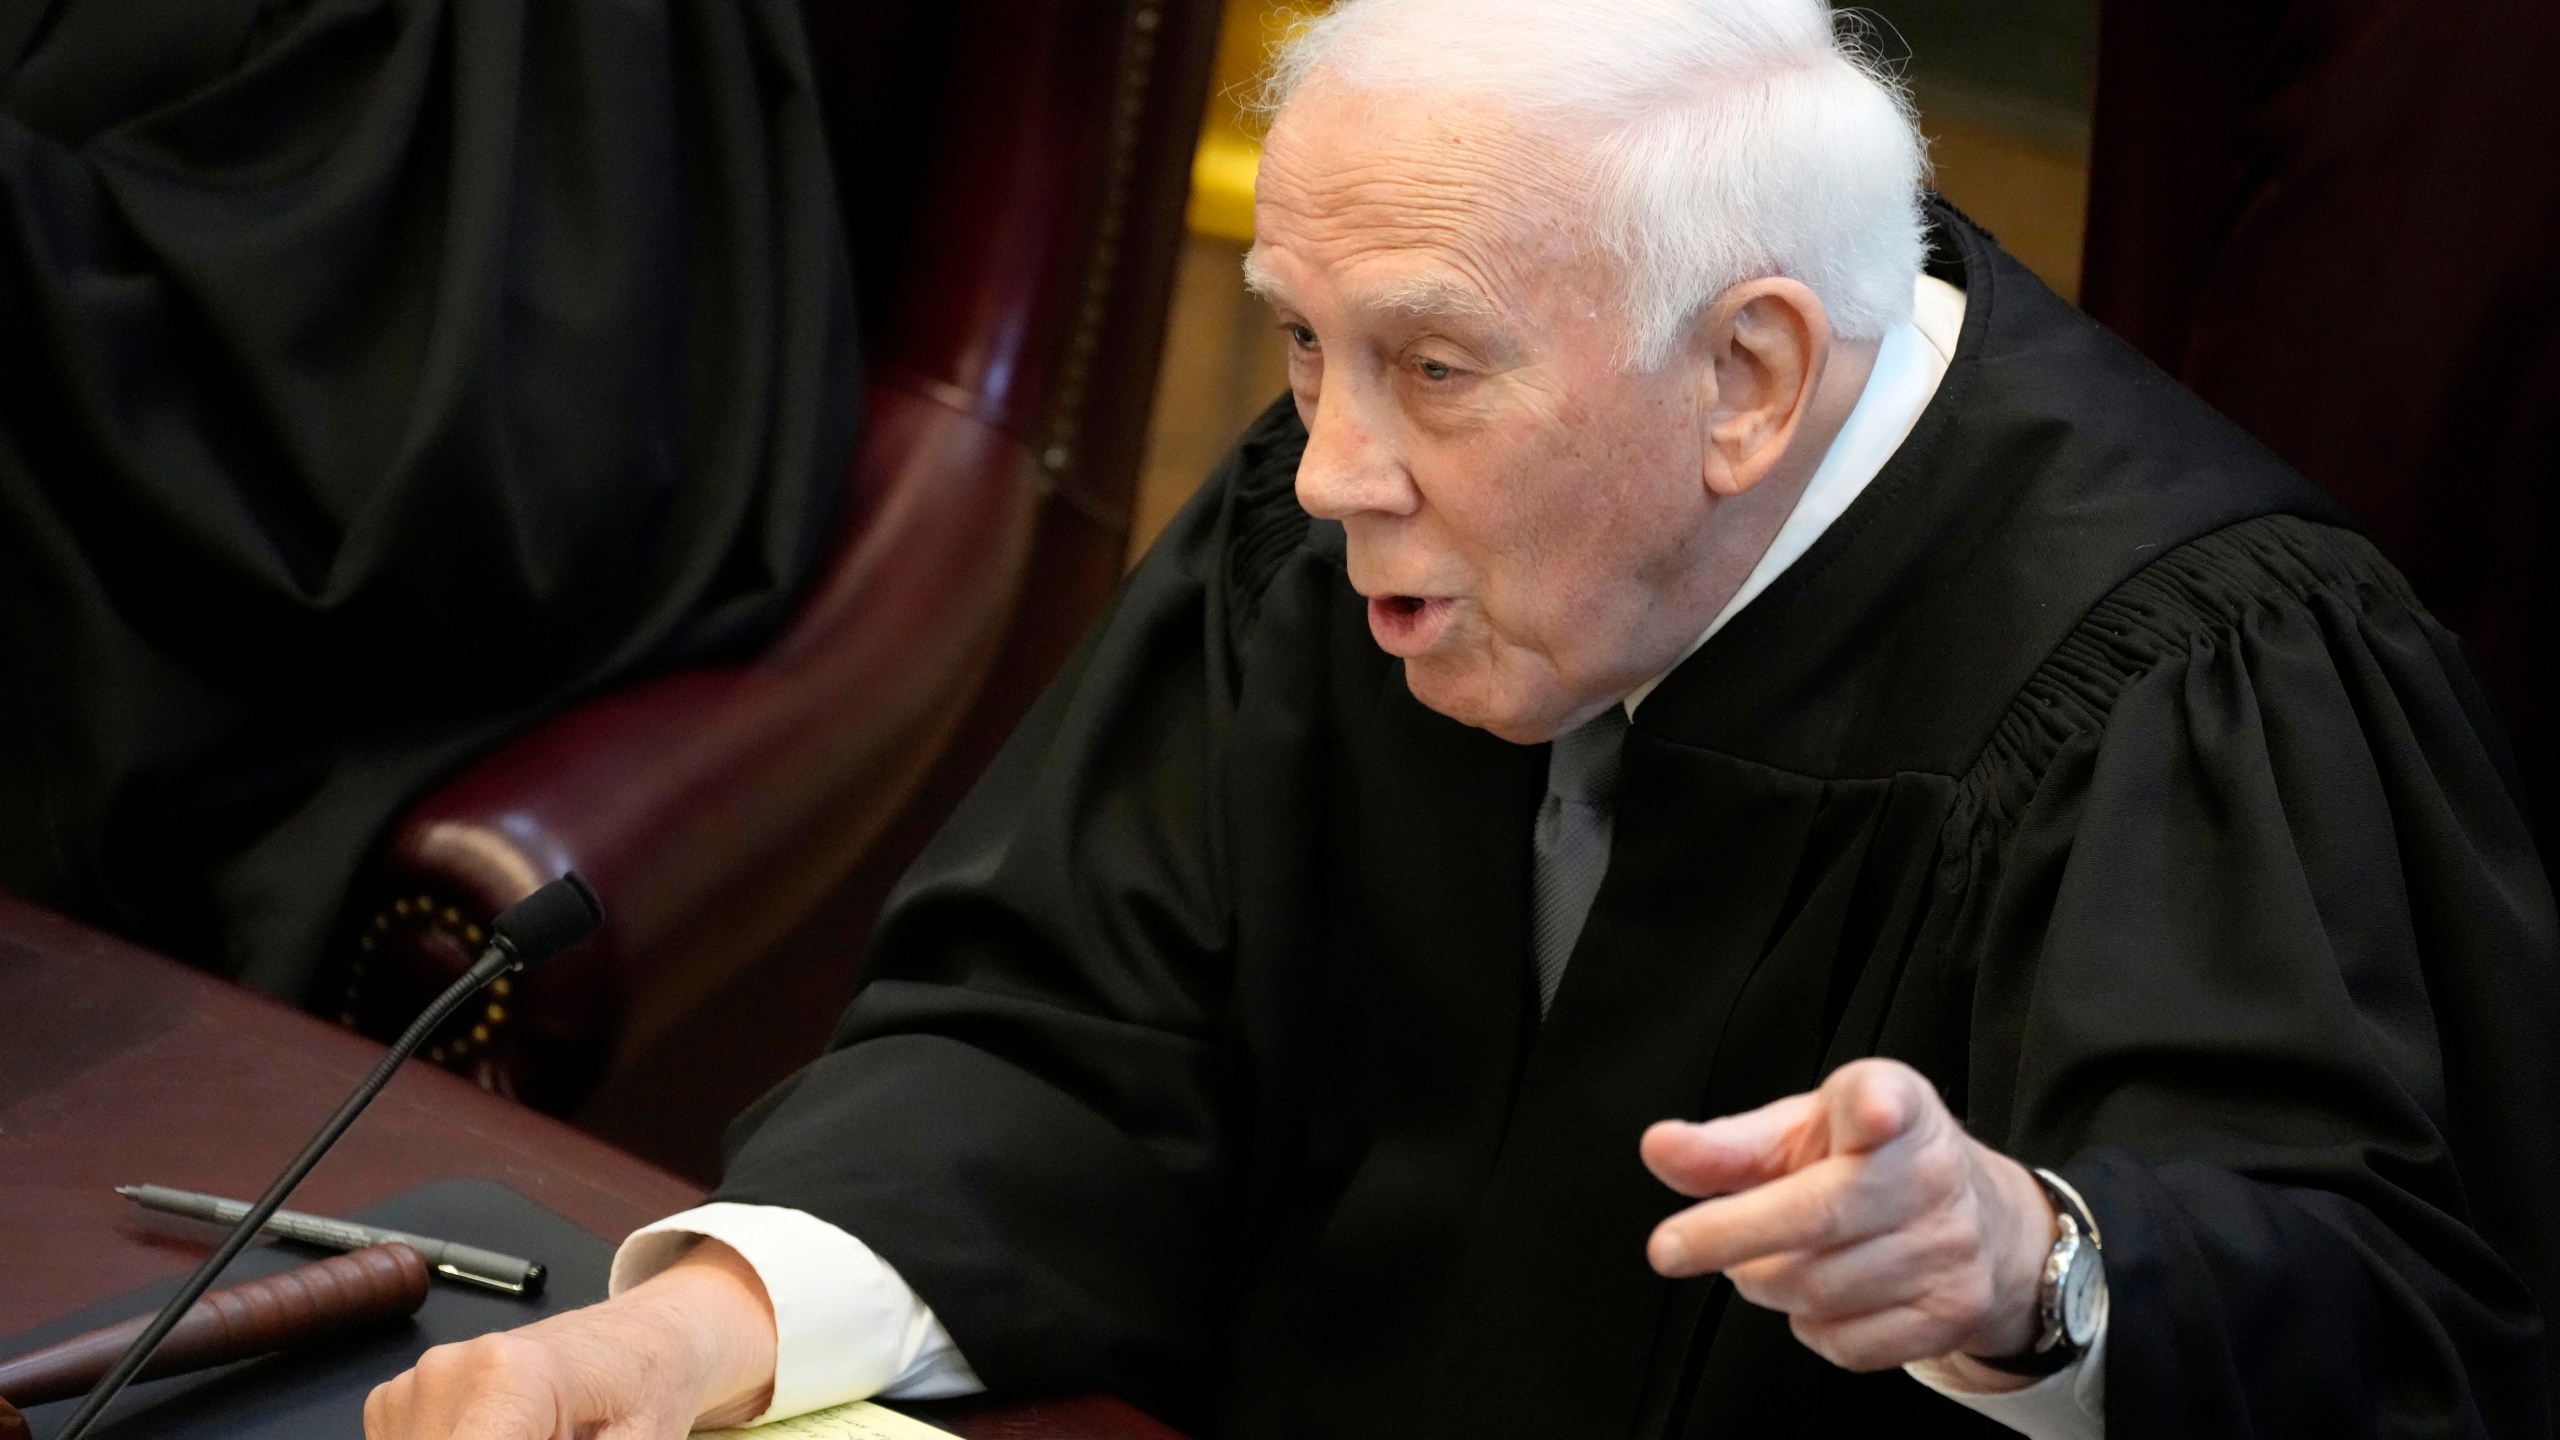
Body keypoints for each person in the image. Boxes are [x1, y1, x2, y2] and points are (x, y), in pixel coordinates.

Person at [366, 0, 2560, 1436]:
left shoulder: (2190, 666)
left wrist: (2031, 1268)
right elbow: (1066, 1038)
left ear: (1750, 381)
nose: (1323, 470)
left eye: (1429, 366)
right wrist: (703, 1333)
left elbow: (2388, 1310)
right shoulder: (1358, 527)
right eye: (1298, 343)